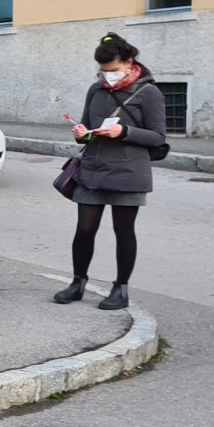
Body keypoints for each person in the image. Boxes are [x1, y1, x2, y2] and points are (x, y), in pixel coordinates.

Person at [53, 33, 166, 311]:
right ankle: (78, 283)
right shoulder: (96, 90)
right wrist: (82, 134)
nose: (107, 76)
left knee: (123, 230)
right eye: (103, 71)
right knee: (85, 229)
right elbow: (87, 128)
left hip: (129, 173)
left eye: (113, 70)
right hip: (93, 169)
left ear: (129, 63)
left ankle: (121, 288)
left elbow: (157, 137)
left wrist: (123, 131)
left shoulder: (149, 92)